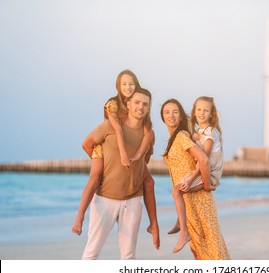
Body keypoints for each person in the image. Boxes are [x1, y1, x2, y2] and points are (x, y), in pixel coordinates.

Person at [71, 70, 159, 250]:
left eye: (131, 84)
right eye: (124, 84)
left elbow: (147, 144)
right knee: (95, 178)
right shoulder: (112, 105)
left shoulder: (144, 118)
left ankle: (154, 225)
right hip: (104, 147)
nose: (128, 87)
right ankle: (79, 216)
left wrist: (135, 157)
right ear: (118, 87)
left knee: (149, 181)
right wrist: (104, 160)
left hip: (132, 197)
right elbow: (112, 132)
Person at [160, 98, 230, 259]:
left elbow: (204, 159)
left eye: (175, 112)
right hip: (191, 200)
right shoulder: (186, 136)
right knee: (201, 248)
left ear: (182, 116)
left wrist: (205, 185)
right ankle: (181, 223)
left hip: (199, 200)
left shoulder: (182, 136)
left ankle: (182, 228)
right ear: (162, 117)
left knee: (210, 248)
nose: (171, 115)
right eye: (167, 112)